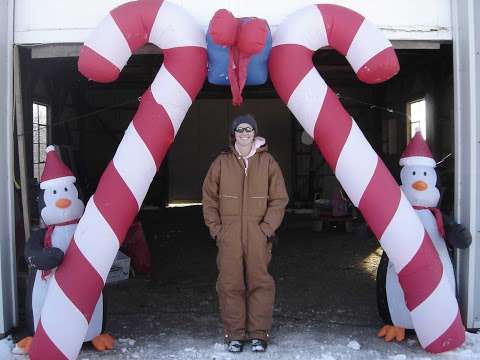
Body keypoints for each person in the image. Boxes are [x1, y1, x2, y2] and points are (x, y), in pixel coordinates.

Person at [202, 114, 289, 353]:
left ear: (255, 133)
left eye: (248, 129)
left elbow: (279, 199)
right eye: (240, 130)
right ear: (233, 134)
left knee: (259, 282)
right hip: (229, 234)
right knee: (230, 283)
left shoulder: (268, 162)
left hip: (258, 234)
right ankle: (235, 334)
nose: (244, 133)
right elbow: (209, 198)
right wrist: (217, 230)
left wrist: (267, 229)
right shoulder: (222, 162)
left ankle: (259, 334)